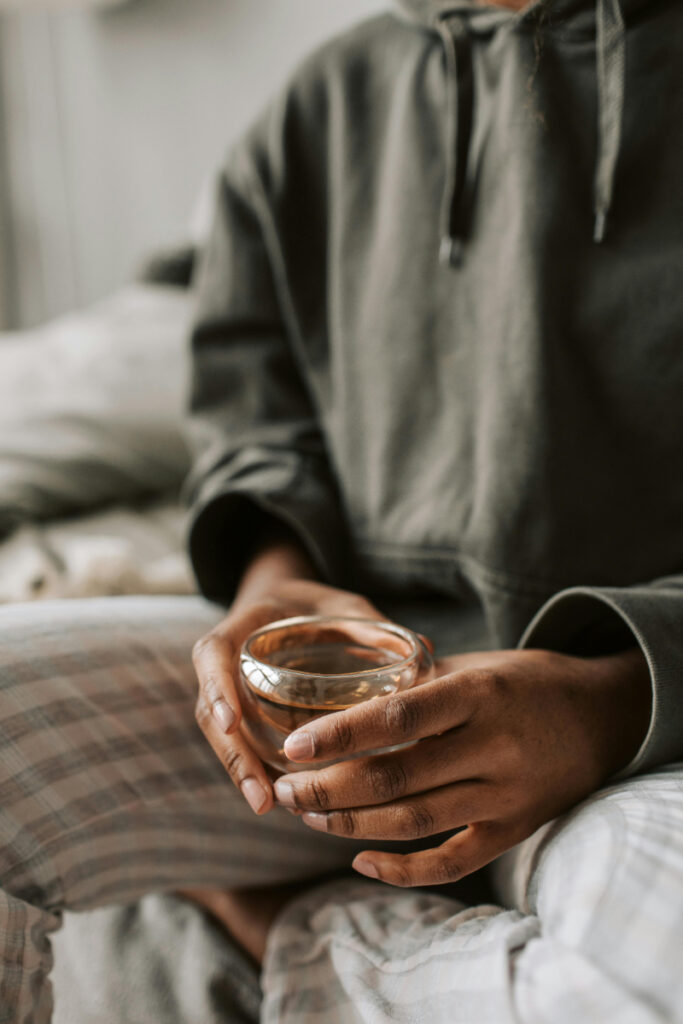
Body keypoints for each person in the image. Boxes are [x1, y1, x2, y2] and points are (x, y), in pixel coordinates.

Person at [1, 0, 682, 1021]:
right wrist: (275, 580)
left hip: (638, 736)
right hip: (326, 714)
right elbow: (256, 422)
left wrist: (608, 697)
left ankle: (280, 929)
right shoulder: (314, 111)